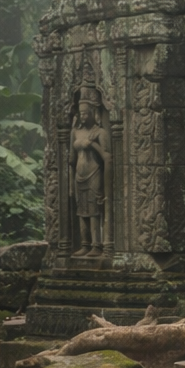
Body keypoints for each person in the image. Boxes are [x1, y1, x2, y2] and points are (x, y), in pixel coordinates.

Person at [71, 95, 109, 256]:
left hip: (94, 173)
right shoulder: (75, 132)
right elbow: (70, 160)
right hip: (79, 175)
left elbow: (107, 157)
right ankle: (85, 244)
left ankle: (96, 245)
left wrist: (92, 144)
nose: (84, 116)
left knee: (94, 210)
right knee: (81, 210)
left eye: (86, 113)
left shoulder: (100, 132)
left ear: (94, 113)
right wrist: (69, 183)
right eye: (81, 114)